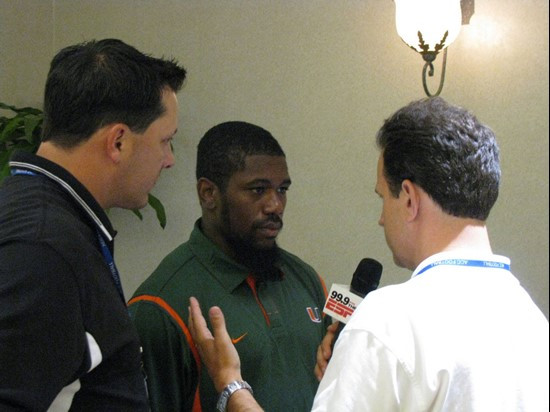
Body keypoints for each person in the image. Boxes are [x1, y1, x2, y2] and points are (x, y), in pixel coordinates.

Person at [188, 97, 550, 412]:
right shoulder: (532, 321)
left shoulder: (387, 322)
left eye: (382, 198)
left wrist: (233, 388)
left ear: (408, 199)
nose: (380, 218)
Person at [0, 39, 186, 410]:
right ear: (118, 141)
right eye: (165, 141)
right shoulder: (43, 250)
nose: (169, 160)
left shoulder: (52, 219)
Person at [128, 121, 332, 411]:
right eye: (258, 190)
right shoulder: (160, 306)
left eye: (282, 189)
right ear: (208, 193)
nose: (275, 205)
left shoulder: (307, 279)